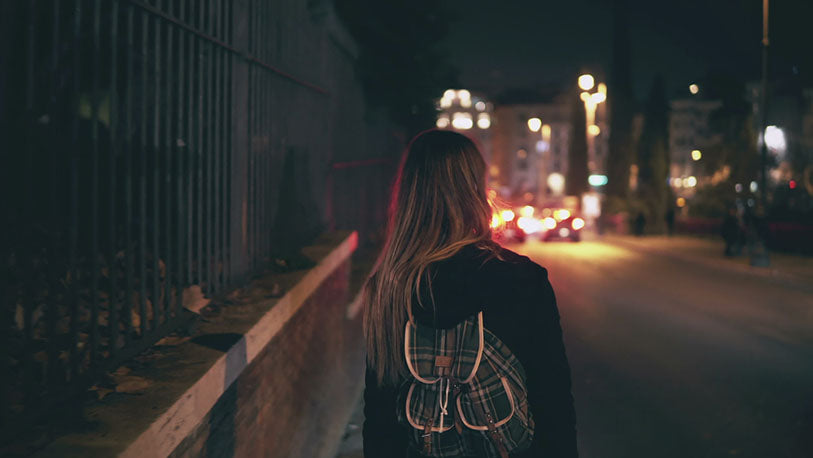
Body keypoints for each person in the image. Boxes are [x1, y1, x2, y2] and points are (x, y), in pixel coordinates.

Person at [362, 129, 578, 458]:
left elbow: (380, 417)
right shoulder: (522, 278)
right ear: (476, 189)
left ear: (408, 193)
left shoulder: (389, 287)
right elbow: (553, 400)